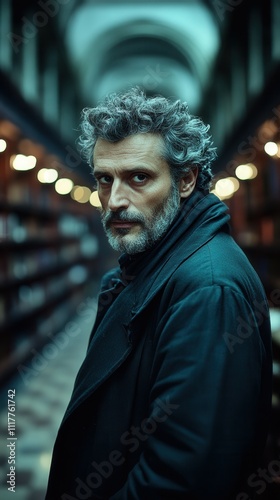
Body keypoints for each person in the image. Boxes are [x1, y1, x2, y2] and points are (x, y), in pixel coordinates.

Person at [45, 87, 272, 500]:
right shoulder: (155, 263)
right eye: (103, 179)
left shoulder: (209, 291)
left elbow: (182, 481)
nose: (115, 201)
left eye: (138, 177)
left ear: (185, 180)